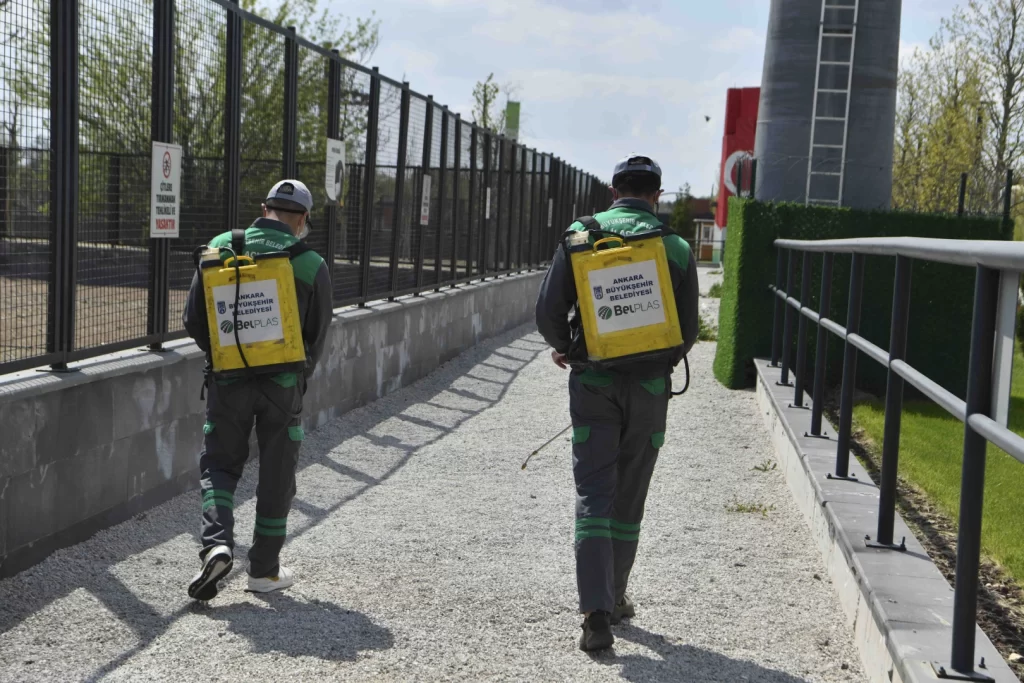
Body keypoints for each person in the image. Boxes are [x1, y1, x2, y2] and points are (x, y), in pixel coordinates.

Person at [535, 155, 699, 651]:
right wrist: (654, 360)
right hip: (648, 389)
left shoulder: (580, 235)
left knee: (594, 493)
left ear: (613, 191)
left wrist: (566, 346)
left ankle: (596, 613)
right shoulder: (675, 247)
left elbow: (547, 311)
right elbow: (687, 332)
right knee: (629, 497)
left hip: (593, 383)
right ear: (657, 195)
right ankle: (617, 594)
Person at [183, 179, 333, 601]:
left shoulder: (220, 247)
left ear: (264, 209)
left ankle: (216, 544)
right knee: (277, 472)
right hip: (282, 386)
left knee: (219, 464)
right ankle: (264, 572)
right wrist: (296, 379)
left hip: (228, 381)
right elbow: (317, 336)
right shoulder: (311, 264)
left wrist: (225, 357)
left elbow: (193, 319)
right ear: (302, 220)